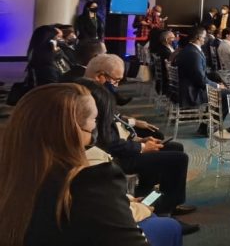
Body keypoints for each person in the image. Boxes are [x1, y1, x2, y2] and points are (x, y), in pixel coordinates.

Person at [0, 83, 151, 245]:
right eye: (94, 119)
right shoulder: (91, 180)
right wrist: (138, 209)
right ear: (73, 129)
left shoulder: (13, 171)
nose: (96, 127)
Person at [76, 77, 198, 236]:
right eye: (115, 80)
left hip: (120, 149)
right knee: (178, 160)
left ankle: (166, 203)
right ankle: (164, 211)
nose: (116, 84)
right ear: (101, 76)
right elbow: (109, 143)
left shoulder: (94, 96)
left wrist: (139, 140)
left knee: (175, 148)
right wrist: (141, 147)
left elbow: (114, 129)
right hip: (118, 157)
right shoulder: (92, 103)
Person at [173, 26, 222, 108]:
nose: (206, 38)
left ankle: (208, 113)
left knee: (216, 79)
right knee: (227, 94)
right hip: (192, 93)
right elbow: (200, 80)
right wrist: (217, 86)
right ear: (199, 37)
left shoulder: (190, 48)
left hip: (191, 87)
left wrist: (215, 83)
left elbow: (199, 75)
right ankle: (210, 116)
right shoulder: (193, 53)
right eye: (205, 36)